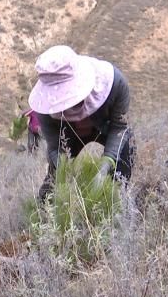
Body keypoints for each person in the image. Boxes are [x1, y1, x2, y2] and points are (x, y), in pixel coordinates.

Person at [28, 45, 136, 201]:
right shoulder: (43, 109)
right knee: (55, 177)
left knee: (125, 151)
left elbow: (120, 128)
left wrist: (106, 165)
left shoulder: (115, 84)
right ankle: (44, 211)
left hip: (105, 128)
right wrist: (64, 170)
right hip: (68, 136)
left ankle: (116, 202)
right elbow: (55, 148)